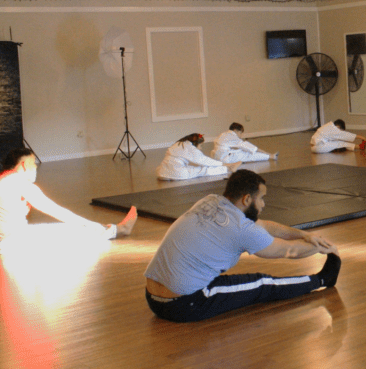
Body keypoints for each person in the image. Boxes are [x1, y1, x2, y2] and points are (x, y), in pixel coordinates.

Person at [144, 169, 341, 323]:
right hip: (185, 304)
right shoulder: (241, 229)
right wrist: (324, 246)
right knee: (262, 284)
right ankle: (323, 279)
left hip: (153, 298)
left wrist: (305, 235)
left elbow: (264, 225)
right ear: (247, 199)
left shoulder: (210, 201)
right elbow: (288, 250)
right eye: (261, 198)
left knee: (232, 279)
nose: (263, 205)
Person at [0, 148, 136, 254]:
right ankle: (119, 230)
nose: (36, 167)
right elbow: (58, 212)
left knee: (53, 230)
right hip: (6, 243)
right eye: (34, 163)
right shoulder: (20, 182)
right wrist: (89, 225)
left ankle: (111, 229)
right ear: (24, 165)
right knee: (72, 229)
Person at [157, 134, 240, 181]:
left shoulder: (179, 144)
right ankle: (228, 169)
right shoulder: (189, 147)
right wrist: (224, 164)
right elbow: (205, 161)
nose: (200, 148)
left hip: (162, 172)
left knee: (191, 168)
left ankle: (227, 167)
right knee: (203, 169)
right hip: (177, 173)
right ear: (195, 143)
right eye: (200, 145)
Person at [212, 123, 277, 164]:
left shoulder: (223, 134)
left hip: (217, 156)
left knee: (241, 151)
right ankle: (271, 156)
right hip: (225, 158)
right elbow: (249, 147)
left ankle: (269, 156)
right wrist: (266, 153)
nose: (241, 135)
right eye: (240, 133)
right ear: (235, 130)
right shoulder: (232, 136)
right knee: (248, 154)